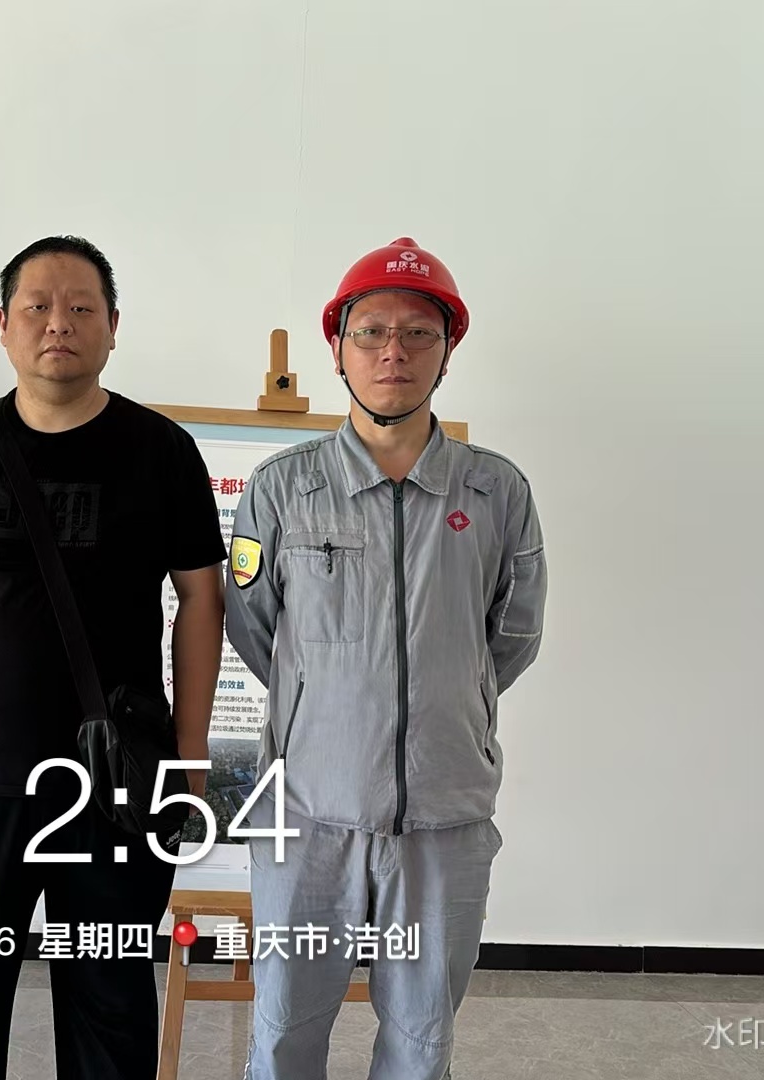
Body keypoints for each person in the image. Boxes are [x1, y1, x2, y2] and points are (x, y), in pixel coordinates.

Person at [0, 235, 227, 1079]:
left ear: (113, 327)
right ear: (3, 324)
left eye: (80, 308)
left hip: (118, 780)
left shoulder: (161, 451)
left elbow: (201, 601)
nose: (58, 323)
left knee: (111, 997)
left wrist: (191, 751)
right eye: (37, 306)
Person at [224, 237, 548, 1079]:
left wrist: (450, 697)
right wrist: (329, 705)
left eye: (417, 333)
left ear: (448, 351)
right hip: (307, 815)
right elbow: (254, 628)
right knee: (284, 1030)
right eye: (369, 332)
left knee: (421, 1039)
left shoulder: (496, 492)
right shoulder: (283, 489)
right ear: (337, 349)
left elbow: (513, 635)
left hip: (444, 816)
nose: (392, 352)